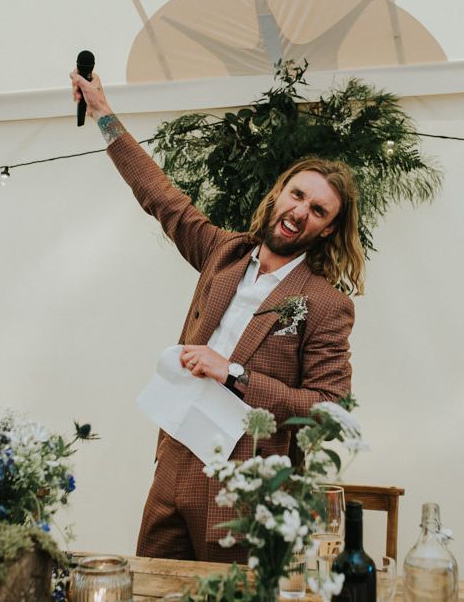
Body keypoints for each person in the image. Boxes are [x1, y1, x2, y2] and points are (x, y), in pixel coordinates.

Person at [70, 69, 365, 563]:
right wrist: (103, 115)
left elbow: (329, 410)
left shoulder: (325, 303)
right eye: (297, 195)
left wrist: (233, 373)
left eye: (318, 210)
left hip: (246, 482)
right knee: (151, 586)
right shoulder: (224, 253)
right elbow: (161, 198)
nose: (301, 211)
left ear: (328, 230)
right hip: (177, 455)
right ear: (278, 194)